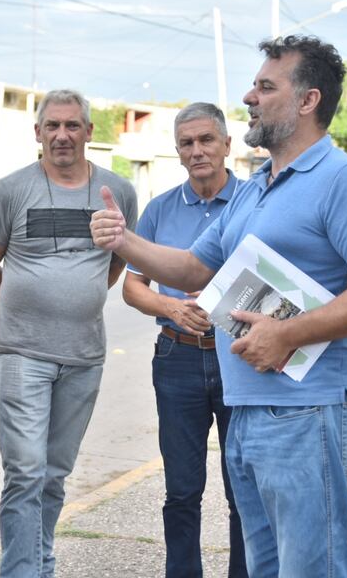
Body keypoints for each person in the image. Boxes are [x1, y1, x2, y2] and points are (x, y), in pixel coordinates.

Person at [90, 35, 347, 577]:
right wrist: (124, 241)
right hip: (249, 408)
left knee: (315, 569)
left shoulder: (344, 181)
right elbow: (195, 269)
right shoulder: (255, 185)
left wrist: (289, 334)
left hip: (313, 409)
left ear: (307, 100)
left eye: (265, 86)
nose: (249, 96)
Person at [0, 89, 138, 577]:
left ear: (89, 132)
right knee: (24, 473)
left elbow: (118, 261)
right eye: (53, 126)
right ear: (38, 133)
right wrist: (30, 306)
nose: (62, 135)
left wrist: (76, 299)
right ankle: (23, 572)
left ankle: (38, 561)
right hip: (23, 352)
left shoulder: (118, 190)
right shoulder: (10, 190)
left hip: (85, 356)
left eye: (72, 126)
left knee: (53, 475)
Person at [122, 102, 247, 577]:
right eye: (187, 144)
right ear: (177, 152)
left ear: (226, 144)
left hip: (240, 356)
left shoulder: (254, 200)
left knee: (244, 487)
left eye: (206, 140)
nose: (197, 151)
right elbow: (133, 288)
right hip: (177, 358)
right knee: (181, 489)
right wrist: (173, 307)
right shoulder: (159, 210)